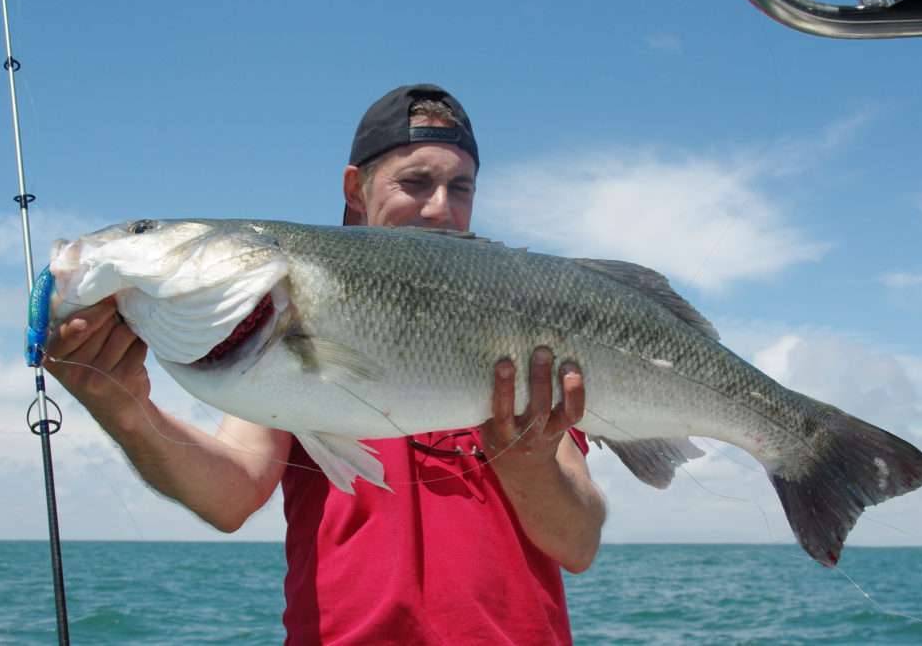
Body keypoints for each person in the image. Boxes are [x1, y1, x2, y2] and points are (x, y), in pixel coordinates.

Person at [46, 83, 606, 644]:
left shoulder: (524, 325)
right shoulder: (273, 329)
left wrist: (529, 463)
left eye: (460, 187)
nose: (440, 207)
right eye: (415, 182)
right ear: (354, 189)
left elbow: (578, 544)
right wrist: (122, 406)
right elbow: (231, 494)